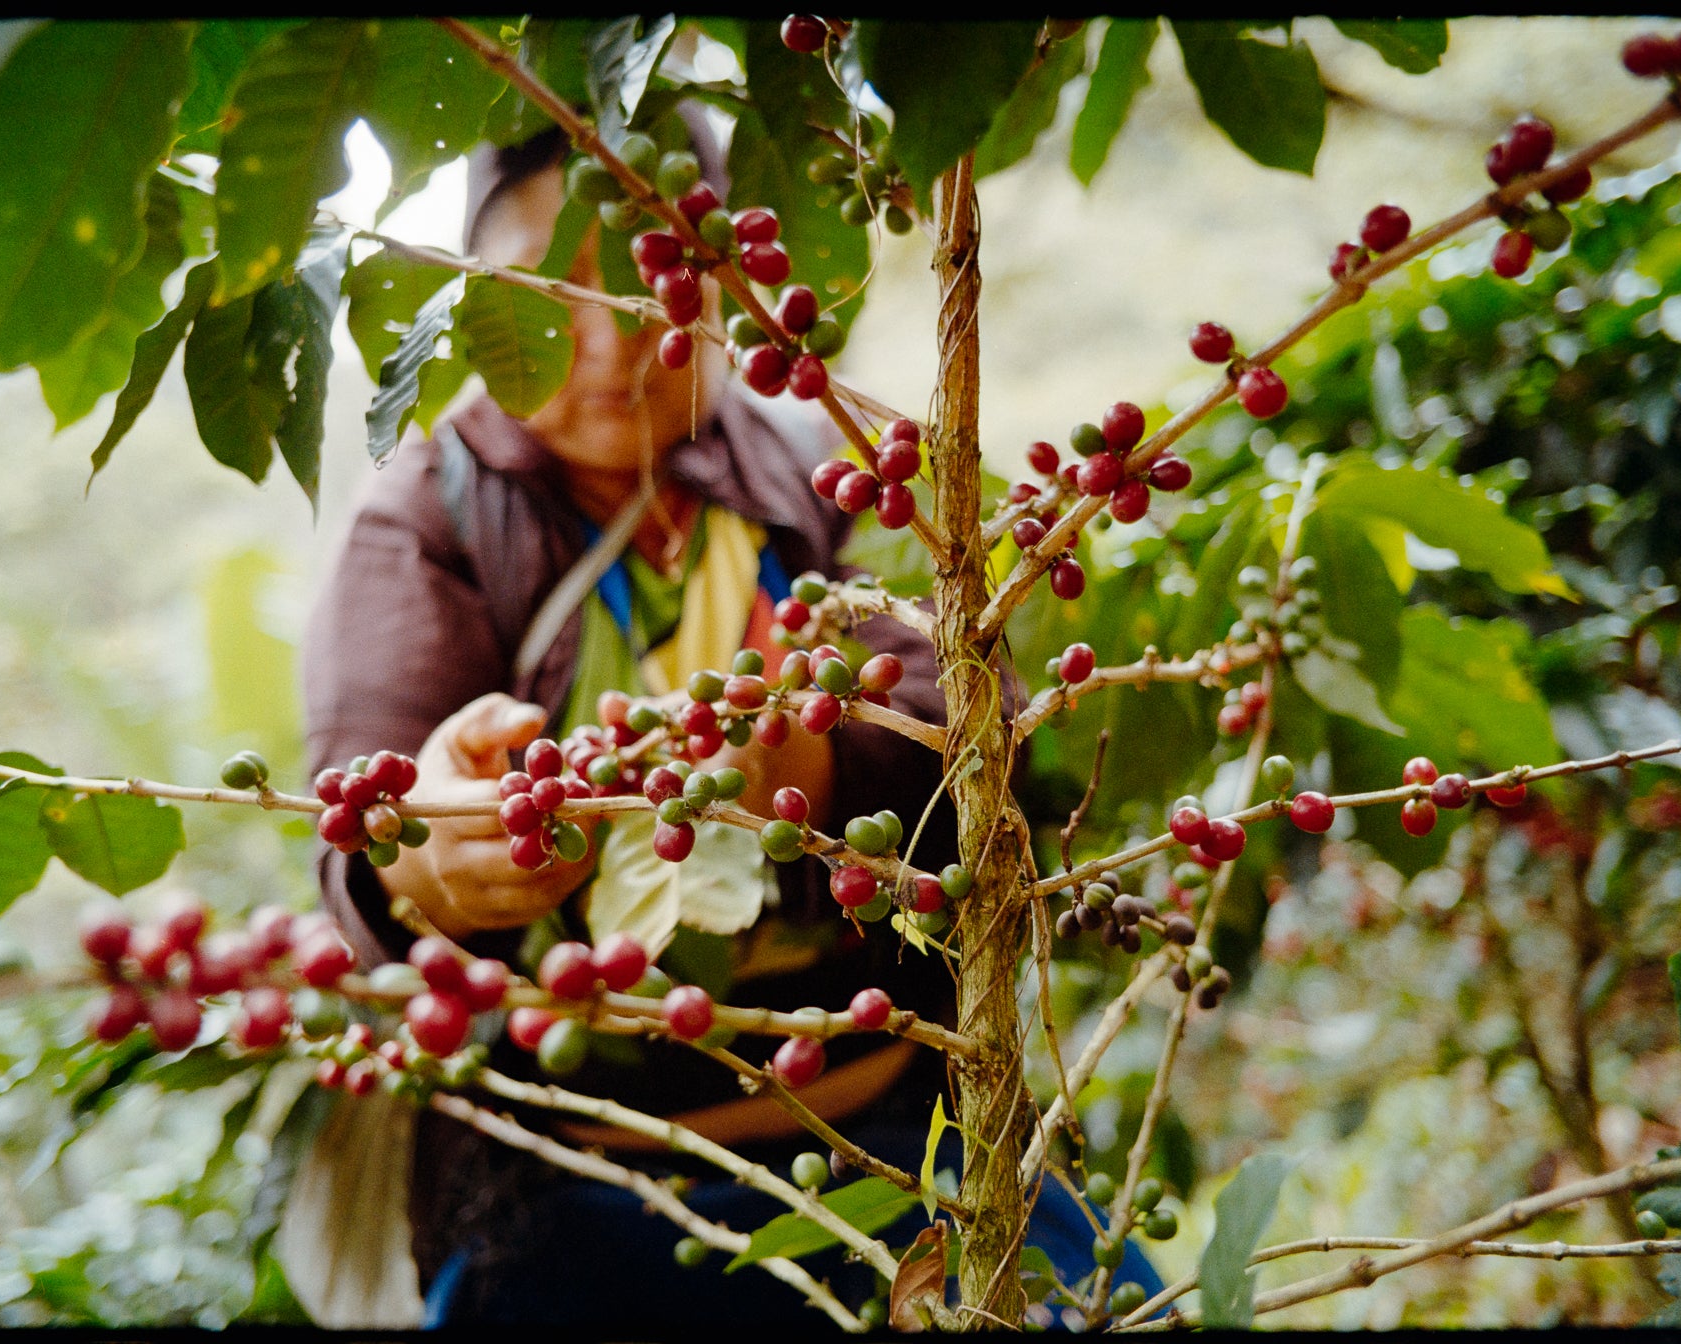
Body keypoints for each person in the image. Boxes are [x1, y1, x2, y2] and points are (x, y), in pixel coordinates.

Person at [299, 108, 1161, 1328]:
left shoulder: (833, 469)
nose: (608, 339)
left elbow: (974, 733)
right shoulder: (427, 517)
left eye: (651, 279)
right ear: (480, 298)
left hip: (902, 1143)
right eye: (549, 290)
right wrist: (429, 857)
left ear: (723, 282)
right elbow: (363, 809)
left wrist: (809, 758)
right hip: (580, 1193)